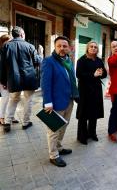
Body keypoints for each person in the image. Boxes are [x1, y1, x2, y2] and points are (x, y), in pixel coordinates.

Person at [41, 36, 79, 167]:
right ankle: (53, 155)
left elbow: (71, 80)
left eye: (65, 46)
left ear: (68, 48)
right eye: (59, 46)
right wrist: (47, 102)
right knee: (53, 130)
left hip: (69, 100)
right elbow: (46, 84)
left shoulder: (68, 61)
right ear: (55, 47)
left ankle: (59, 146)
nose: (62, 48)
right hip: (55, 103)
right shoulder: (49, 61)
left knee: (64, 126)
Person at [0, 26, 39, 133]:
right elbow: (37, 62)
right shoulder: (30, 46)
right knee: (28, 100)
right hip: (29, 78)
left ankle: (7, 122)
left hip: (13, 79)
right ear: (22, 34)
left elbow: (2, 65)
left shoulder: (6, 46)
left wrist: (3, 81)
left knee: (13, 100)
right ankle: (26, 122)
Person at [76, 41, 107, 145]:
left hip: (96, 90)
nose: (93, 48)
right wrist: (92, 74)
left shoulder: (99, 60)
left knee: (94, 113)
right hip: (85, 91)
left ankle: (92, 133)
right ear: (87, 48)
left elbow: (104, 74)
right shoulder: (82, 60)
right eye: (91, 46)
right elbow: (79, 74)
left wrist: (102, 73)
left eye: (95, 47)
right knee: (83, 114)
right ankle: (82, 136)